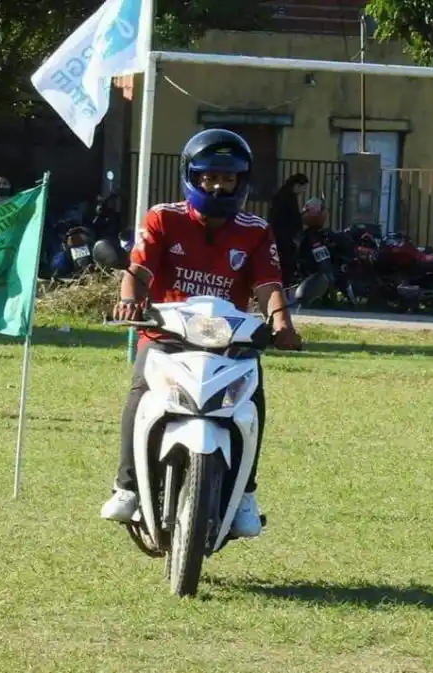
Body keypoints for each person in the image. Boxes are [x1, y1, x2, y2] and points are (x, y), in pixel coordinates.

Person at [99, 129, 302, 538]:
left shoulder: (256, 229)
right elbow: (138, 271)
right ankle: (127, 487)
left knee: (252, 402)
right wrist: (129, 301)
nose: (218, 186)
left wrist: (282, 323)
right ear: (191, 176)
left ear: (242, 181)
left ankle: (244, 494)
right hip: (166, 336)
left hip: (230, 341)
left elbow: (268, 284)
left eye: (228, 178)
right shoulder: (163, 217)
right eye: (209, 177)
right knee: (139, 391)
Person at [269, 173, 308, 287]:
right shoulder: (287, 197)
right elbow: (291, 217)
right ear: (296, 185)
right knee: (286, 265)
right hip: (284, 237)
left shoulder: (283, 195)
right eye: (303, 187)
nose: (302, 191)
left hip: (281, 236)